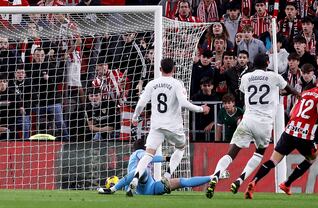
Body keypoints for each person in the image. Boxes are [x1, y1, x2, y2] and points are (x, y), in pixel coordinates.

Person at [205, 53, 300, 199]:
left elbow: (244, 91)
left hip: (248, 120)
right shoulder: (275, 77)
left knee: (231, 153)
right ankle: (240, 180)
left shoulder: (246, 77)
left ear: (253, 64)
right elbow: (292, 90)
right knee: (259, 153)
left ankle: (216, 176)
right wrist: (283, 93)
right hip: (264, 123)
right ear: (267, 63)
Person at [244, 71, 318, 199]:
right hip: (304, 136)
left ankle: (254, 181)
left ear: (317, 81)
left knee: (272, 161)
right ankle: (287, 183)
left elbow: (292, 112)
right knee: (311, 158)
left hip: (289, 131)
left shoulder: (305, 93)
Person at [128, 58, 210, 196]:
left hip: (156, 126)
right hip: (173, 126)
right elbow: (183, 103)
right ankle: (167, 174)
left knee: (148, 154)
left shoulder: (152, 84)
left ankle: (135, 179)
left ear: (160, 69)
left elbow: (141, 102)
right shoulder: (177, 84)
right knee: (180, 147)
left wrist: (135, 117)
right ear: (174, 69)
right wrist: (201, 109)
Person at [97, 139, 215, 196]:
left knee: (140, 170)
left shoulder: (135, 153)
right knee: (183, 181)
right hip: (151, 188)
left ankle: (113, 189)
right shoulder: (140, 152)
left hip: (143, 187)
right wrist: (167, 158)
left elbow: (146, 159)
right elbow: (147, 157)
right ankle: (211, 177)